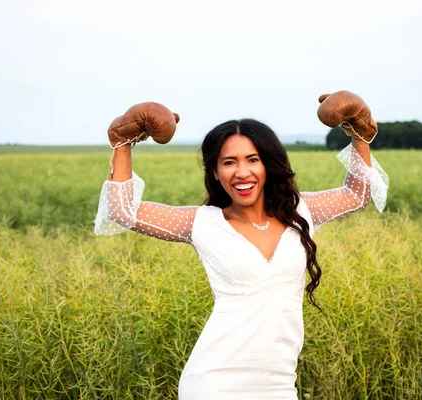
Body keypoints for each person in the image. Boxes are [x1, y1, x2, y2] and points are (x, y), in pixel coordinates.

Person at [95, 115, 388, 399]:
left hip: (279, 383)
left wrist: (358, 134)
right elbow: (124, 211)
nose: (242, 172)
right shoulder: (202, 223)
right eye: (229, 162)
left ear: (268, 165)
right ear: (215, 171)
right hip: (214, 382)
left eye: (252, 159)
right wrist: (122, 143)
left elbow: (358, 193)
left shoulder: (302, 211)